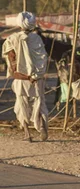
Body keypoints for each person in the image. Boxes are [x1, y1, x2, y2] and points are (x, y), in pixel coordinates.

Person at [1, 11, 48, 142]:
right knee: (40, 103)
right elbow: (43, 58)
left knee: (22, 105)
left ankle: (27, 134)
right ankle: (43, 128)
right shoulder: (37, 38)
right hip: (36, 79)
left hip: (21, 79)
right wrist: (35, 75)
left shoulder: (12, 39)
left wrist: (17, 72)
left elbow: (11, 59)